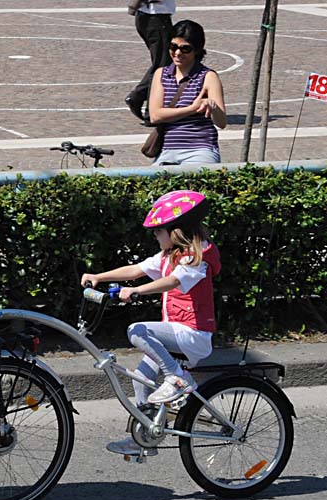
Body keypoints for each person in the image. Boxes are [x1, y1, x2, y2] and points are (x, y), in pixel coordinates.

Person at [80, 190, 220, 455]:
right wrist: (99, 276)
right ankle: (144, 438)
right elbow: (136, 269)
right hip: (178, 332)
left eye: (158, 231)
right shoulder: (168, 256)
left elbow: (174, 281)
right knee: (141, 377)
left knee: (137, 330)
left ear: (175, 231)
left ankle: (177, 380)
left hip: (194, 334)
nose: (155, 236)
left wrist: (138, 291)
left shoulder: (196, 257)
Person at [147, 20, 227, 165]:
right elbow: (155, 116)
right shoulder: (161, 74)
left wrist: (213, 107)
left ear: (197, 50)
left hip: (201, 149)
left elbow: (221, 123)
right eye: (173, 47)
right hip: (167, 150)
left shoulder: (208, 77)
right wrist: (192, 109)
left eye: (185, 49)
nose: (177, 53)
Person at [125, 0, 176, 126]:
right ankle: (140, 100)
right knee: (162, 66)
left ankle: (150, 111)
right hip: (156, 18)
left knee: (162, 64)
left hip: (148, 17)